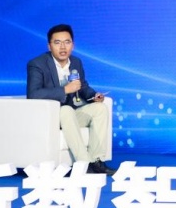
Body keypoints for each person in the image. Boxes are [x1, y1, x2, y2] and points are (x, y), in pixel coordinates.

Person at [26, 24, 115, 175]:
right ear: (49, 46)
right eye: (57, 42)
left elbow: (82, 86)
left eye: (67, 42)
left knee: (100, 108)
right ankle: (84, 164)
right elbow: (33, 94)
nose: (63, 47)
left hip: (70, 116)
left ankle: (97, 161)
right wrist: (65, 90)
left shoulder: (76, 62)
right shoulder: (37, 64)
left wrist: (94, 96)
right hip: (50, 118)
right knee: (66, 110)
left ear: (72, 45)